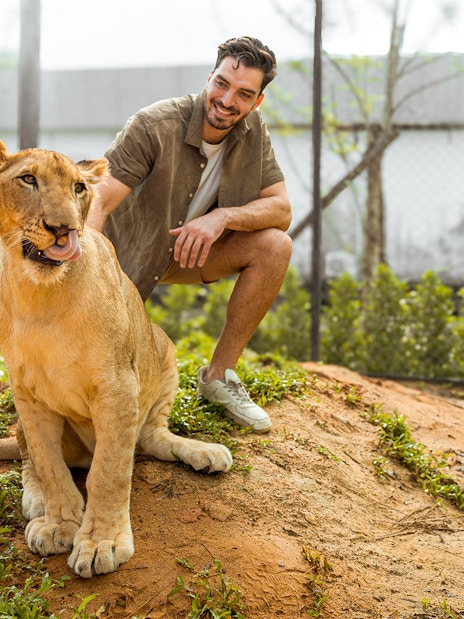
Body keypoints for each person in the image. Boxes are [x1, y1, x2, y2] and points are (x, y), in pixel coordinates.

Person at [88, 36, 292, 433]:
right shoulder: (154, 123)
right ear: (209, 77)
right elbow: (100, 198)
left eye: (244, 94)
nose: (228, 100)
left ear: (256, 102)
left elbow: (281, 209)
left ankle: (219, 377)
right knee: (106, 371)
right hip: (126, 256)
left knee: (274, 246)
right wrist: (88, 267)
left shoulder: (253, 131)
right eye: (222, 84)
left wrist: (221, 219)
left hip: (189, 252)